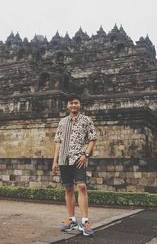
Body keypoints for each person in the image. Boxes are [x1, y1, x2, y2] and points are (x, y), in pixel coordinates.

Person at [52, 93, 97, 237]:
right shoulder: (62, 122)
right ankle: (71, 219)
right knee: (68, 188)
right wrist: (55, 160)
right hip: (64, 159)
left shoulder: (86, 120)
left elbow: (92, 139)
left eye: (76, 103)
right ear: (67, 105)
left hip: (79, 158)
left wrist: (86, 154)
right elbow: (58, 142)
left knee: (82, 187)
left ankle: (85, 221)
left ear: (80, 104)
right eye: (71, 103)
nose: (73, 105)